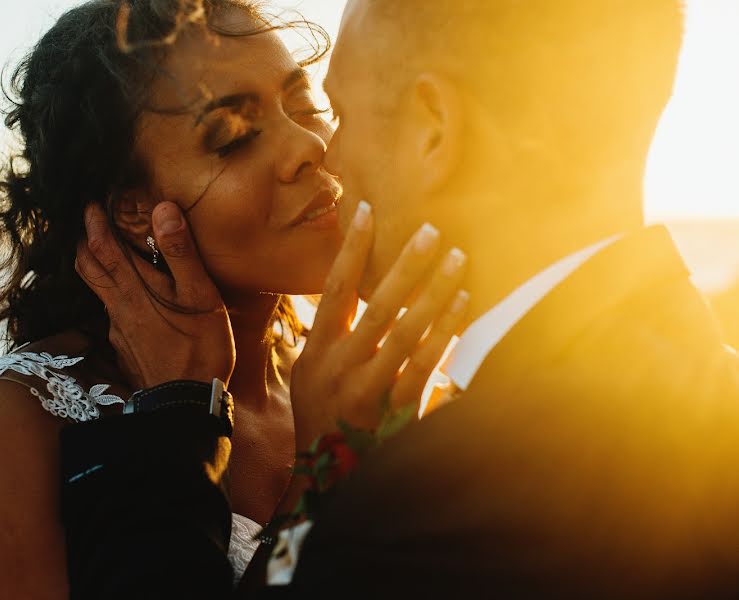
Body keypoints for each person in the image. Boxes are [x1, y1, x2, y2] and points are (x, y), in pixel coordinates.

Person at [65, 0, 739, 597]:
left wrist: (295, 465)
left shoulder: (443, 488)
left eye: (338, 113)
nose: (322, 152)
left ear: (434, 130)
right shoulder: (716, 383)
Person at [0, 0, 467, 597]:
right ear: (136, 212)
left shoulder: (357, 380)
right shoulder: (22, 419)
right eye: (235, 138)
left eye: (305, 105)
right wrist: (325, 465)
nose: (309, 148)